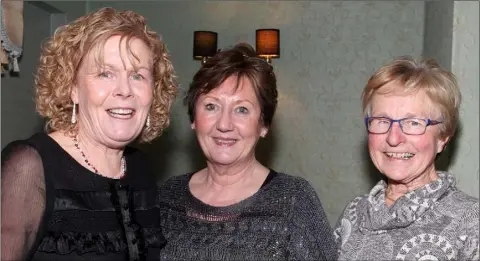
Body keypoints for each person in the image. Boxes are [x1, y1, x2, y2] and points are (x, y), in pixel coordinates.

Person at [1, 7, 177, 261]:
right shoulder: (30, 166)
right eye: (106, 73)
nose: (124, 90)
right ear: (72, 87)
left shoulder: (140, 170)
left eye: (138, 75)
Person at [157, 43, 337, 261]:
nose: (224, 124)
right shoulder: (166, 198)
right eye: (211, 106)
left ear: (263, 125)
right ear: (194, 118)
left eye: (242, 110)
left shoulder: (294, 201)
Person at [334, 57, 479, 260]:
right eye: (382, 121)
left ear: (443, 137)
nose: (393, 138)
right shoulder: (354, 213)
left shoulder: (471, 221)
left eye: (413, 123)